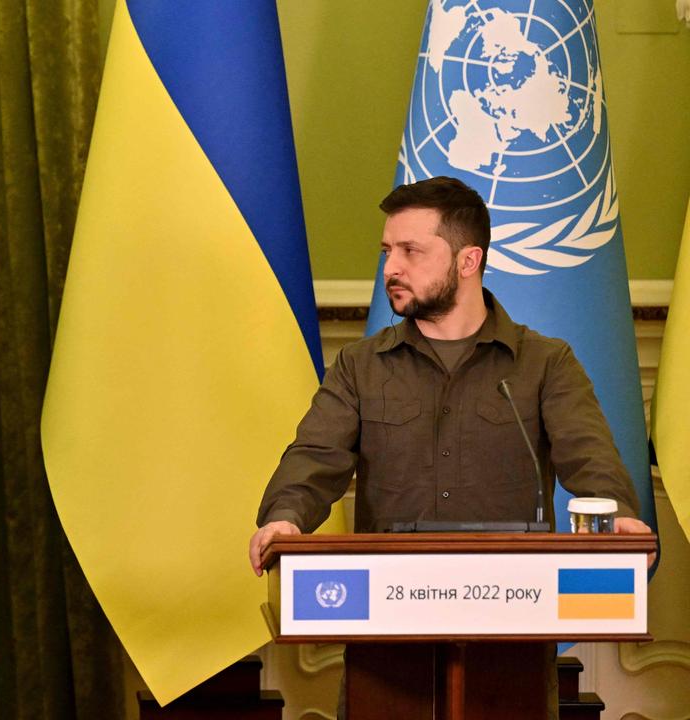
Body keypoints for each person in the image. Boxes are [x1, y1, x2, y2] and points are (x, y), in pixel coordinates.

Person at [246, 176, 653, 719]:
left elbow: (591, 458)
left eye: (411, 251)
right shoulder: (361, 367)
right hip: (385, 655)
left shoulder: (543, 363)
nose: (391, 267)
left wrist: (619, 516)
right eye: (388, 251)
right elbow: (313, 459)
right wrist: (284, 518)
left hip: (512, 650)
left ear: (468, 261)